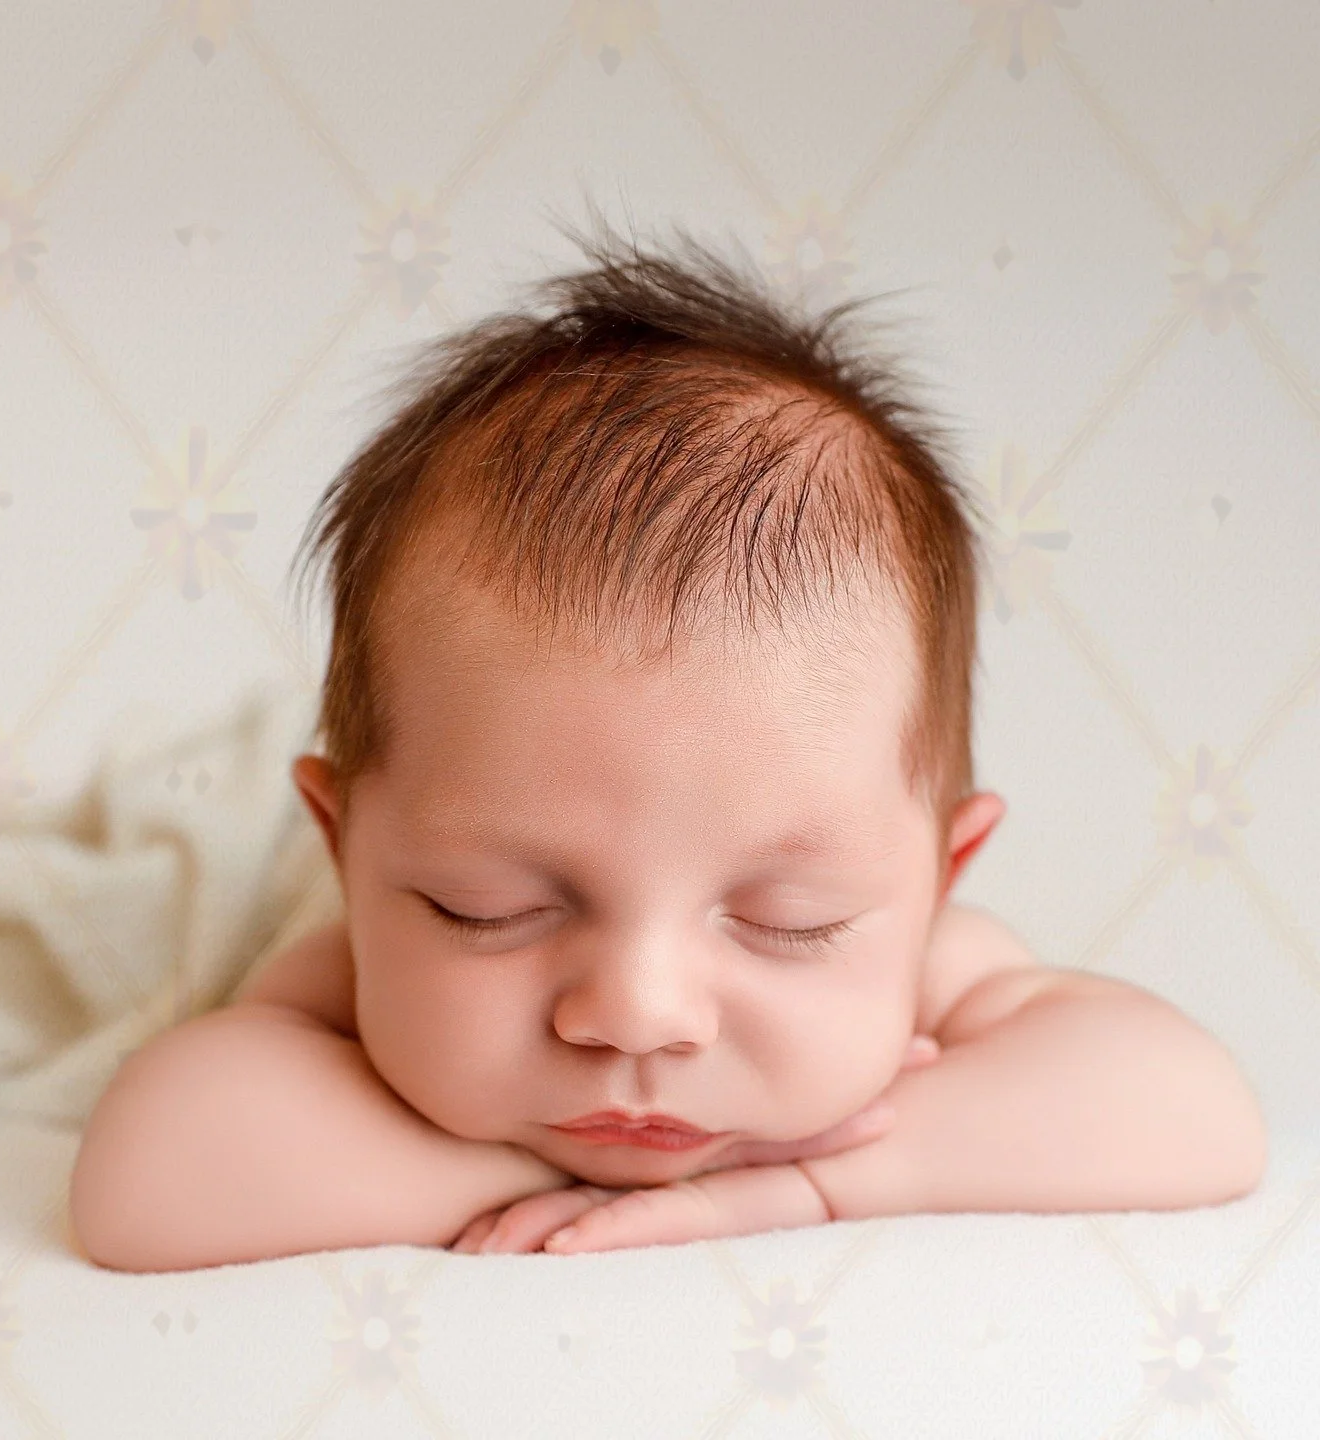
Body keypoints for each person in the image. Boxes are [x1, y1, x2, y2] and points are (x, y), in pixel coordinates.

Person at [69, 216, 1266, 1272]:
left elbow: (1197, 1114)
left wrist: (807, 1187)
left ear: (940, 875)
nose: (637, 1013)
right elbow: (148, 1181)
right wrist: (527, 1175)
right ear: (345, 847)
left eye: (789, 920)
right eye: (486, 910)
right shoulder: (340, 973)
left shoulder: (941, 966)